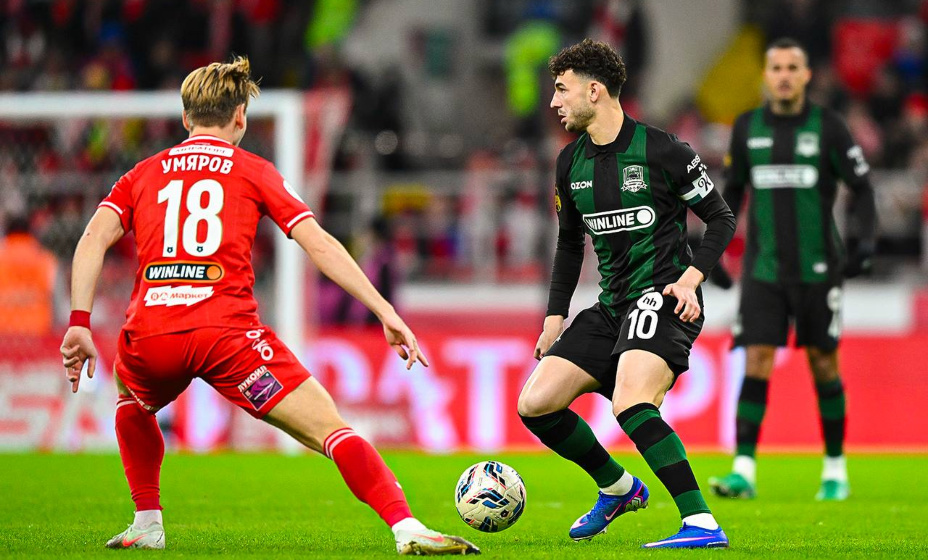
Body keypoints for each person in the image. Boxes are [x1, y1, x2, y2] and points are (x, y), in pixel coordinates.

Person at [59, 56, 479, 556]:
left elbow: (92, 238)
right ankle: (406, 527)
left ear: (186, 117)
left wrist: (79, 321)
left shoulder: (142, 174)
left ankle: (147, 522)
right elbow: (317, 243)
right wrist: (384, 309)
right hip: (228, 339)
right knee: (330, 429)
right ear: (240, 117)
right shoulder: (253, 170)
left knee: (131, 398)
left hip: (153, 333)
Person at [517, 39, 736, 549]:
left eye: (562, 89)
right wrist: (554, 317)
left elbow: (721, 219)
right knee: (536, 403)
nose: (554, 101)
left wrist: (692, 277)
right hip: (611, 307)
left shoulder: (664, 151)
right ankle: (618, 488)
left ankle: (701, 522)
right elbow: (569, 244)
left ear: (594, 91)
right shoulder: (569, 162)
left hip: (664, 298)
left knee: (631, 402)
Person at [708, 38, 877, 502]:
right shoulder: (747, 127)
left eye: (792, 67)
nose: (783, 75)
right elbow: (731, 194)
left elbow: (863, 187)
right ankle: (743, 471)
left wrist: (865, 243)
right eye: (776, 67)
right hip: (764, 269)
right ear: (766, 75)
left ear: (806, 75)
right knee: (757, 358)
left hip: (818, 268)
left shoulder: (829, 127)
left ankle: (835, 470)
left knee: (823, 363)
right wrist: (714, 252)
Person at [0, 213, 60, 336]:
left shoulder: (2, 257)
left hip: (3, 329)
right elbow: (56, 297)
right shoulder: (45, 258)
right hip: (38, 329)